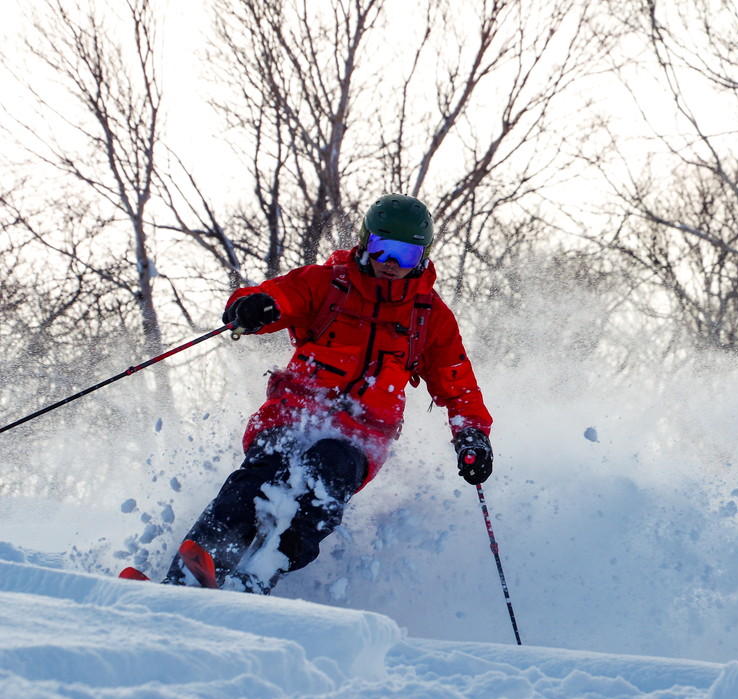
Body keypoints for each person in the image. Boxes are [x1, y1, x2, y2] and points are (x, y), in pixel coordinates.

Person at [162, 193, 493, 594]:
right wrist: (252, 307)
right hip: (295, 414)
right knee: (257, 478)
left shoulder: (429, 318)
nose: (391, 263)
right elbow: (279, 296)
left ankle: (262, 572)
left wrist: (471, 435)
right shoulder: (327, 284)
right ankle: (195, 569)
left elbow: (458, 384)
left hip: (361, 436)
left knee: (325, 477)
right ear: (364, 242)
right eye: (381, 248)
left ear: (422, 257)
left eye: (404, 255)